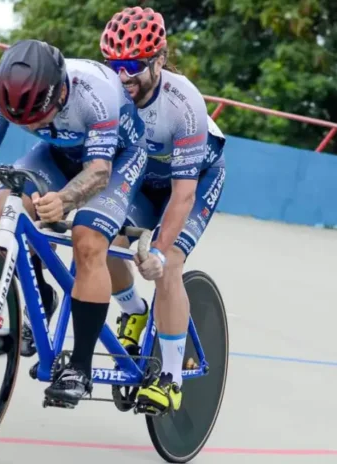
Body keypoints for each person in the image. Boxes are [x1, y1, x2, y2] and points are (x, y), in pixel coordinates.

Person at [0, 39, 150, 405]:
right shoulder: (0, 97)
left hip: (117, 160)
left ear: (60, 93)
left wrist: (65, 200)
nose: (33, 125)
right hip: (58, 153)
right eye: (22, 122)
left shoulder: (96, 93)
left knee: (88, 239)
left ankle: (79, 368)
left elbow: (98, 172)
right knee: (4, 205)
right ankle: (40, 293)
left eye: (38, 118)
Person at [99, 6, 228, 414]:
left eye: (134, 66)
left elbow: (183, 196)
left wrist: (156, 250)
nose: (123, 76)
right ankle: (134, 312)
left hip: (195, 180)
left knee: (168, 263)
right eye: (115, 65)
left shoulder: (183, 103)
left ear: (159, 59)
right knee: (106, 241)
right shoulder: (109, 92)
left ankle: (171, 379)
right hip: (146, 180)